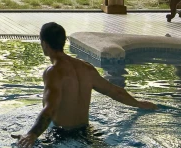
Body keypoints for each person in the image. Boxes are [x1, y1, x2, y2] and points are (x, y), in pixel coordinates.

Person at [16, 23, 157, 147]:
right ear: (64, 41)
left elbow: (50, 109)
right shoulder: (86, 68)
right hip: (86, 132)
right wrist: (138, 103)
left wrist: (31, 134)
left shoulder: (53, 72)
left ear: (44, 44)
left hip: (61, 136)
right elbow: (115, 92)